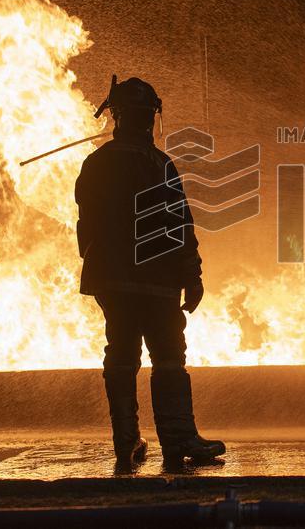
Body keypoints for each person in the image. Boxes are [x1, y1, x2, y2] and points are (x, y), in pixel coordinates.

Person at [75, 76, 225, 473]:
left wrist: (100, 271)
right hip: (158, 282)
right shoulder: (159, 163)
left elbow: (85, 225)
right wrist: (191, 277)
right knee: (169, 358)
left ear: (116, 117)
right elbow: (180, 227)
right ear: (148, 119)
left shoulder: (95, 163)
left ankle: (126, 442)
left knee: (121, 358)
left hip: (114, 282)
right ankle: (178, 439)